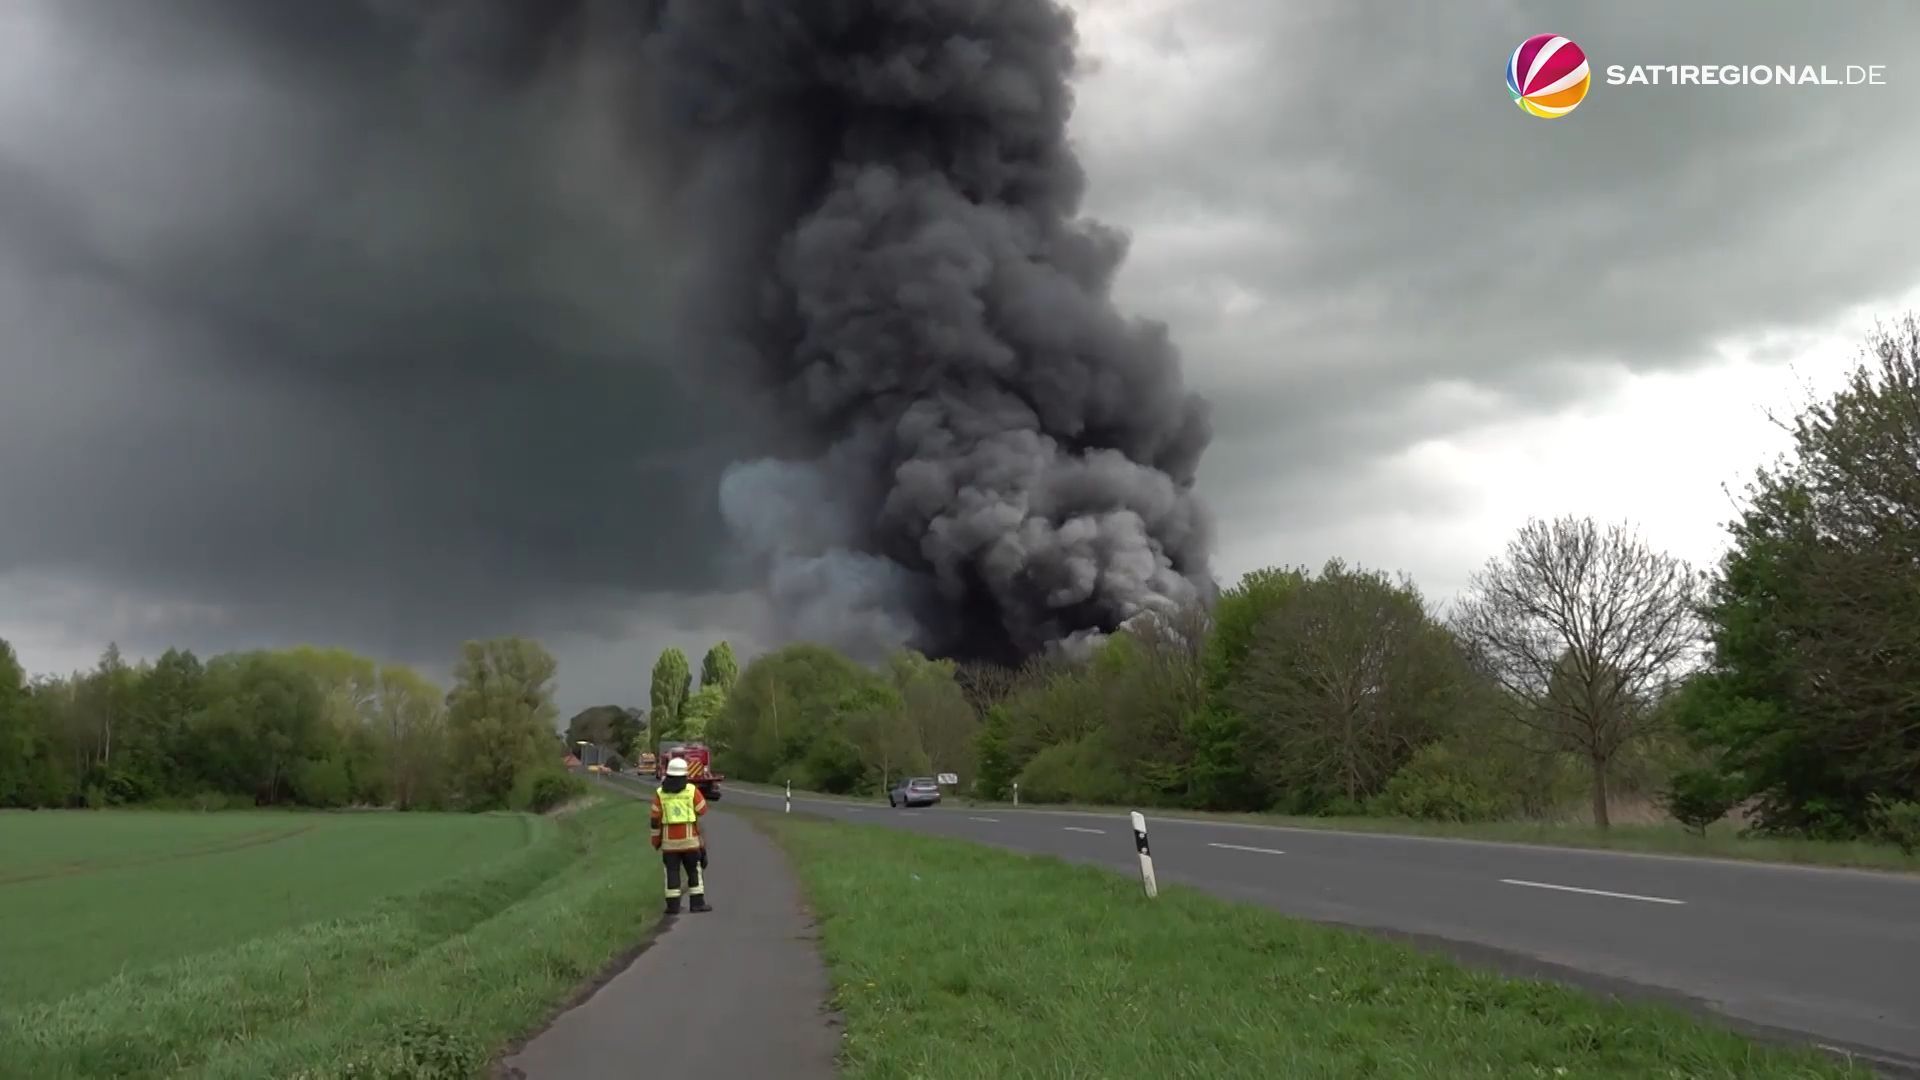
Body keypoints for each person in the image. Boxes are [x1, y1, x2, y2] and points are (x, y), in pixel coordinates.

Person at [650, 756, 710, 915]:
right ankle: (697, 904)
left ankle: (673, 907)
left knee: (672, 873)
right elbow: (703, 809)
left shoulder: (660, 794)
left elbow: (655, 820)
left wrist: (655, 841)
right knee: (693, 872)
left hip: (669, 845)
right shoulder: (691, 791)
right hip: (690, 842)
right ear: (685, 775)